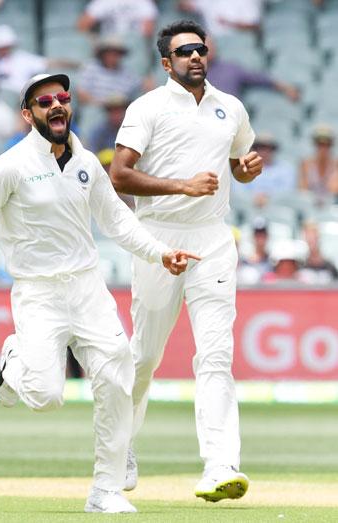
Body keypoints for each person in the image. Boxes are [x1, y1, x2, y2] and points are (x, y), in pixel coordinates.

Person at [0, 72, 198, 513]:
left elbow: (117, 221)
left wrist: (161, 253)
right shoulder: (10, 165)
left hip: (87, 288)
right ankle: (13, 360)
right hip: (38, 293)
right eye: (44, 101)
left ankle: (105, 489)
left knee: (118, 373)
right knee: (46, 397)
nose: (56, 105)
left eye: (62, 97)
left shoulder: (86, 163)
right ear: (28, 114)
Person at [111, 20, 263, 502]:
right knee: (144, 356)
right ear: (165, 63)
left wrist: (247, 170)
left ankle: (220, 465)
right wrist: (181, 186)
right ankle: (120, 449)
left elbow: (239, 164)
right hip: (159, 239)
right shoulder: (147, 108)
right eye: (184, 52)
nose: (195, 57)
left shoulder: (230, 108)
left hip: (213, 239)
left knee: (215, 355)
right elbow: (118, 175)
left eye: (200, 49)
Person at [205, 37, 299, 102]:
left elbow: (259, 78)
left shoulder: (230, 68)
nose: (210, 49)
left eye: (212, 45)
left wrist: (286, 88)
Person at [232, 133, 296, 207]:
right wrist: (254, 198)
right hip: (249, 206)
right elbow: (238, 191)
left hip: (277, 207)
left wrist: (268, 197)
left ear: (273, 150)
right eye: (259, 147)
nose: (264, 151)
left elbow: (287, 191)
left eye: (268, 148)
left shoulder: (286, 168)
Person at [77, 36, 144, 106]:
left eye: (116, 53)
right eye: (109, 53)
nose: (112, 56)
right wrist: (100, 104)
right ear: (103, 53)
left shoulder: (128, 73)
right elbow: (81, 94)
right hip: (95, 108)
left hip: (119, 110)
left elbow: (142, 86)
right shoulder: (90, 67)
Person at [299, 124, 338, 206]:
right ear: (315, 144)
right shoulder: (306, 164)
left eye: (327, 144)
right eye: (319, 144)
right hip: (310, 205)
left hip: (331, 205)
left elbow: (334, 190)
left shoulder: (336, 164)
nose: (323, 148)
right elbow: (303, 190)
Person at [77, 0, 158, 39]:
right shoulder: (102, 2)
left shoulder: (144, 2)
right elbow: (82, 26)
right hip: (108, 42)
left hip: (134, 43)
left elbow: (148, 30)